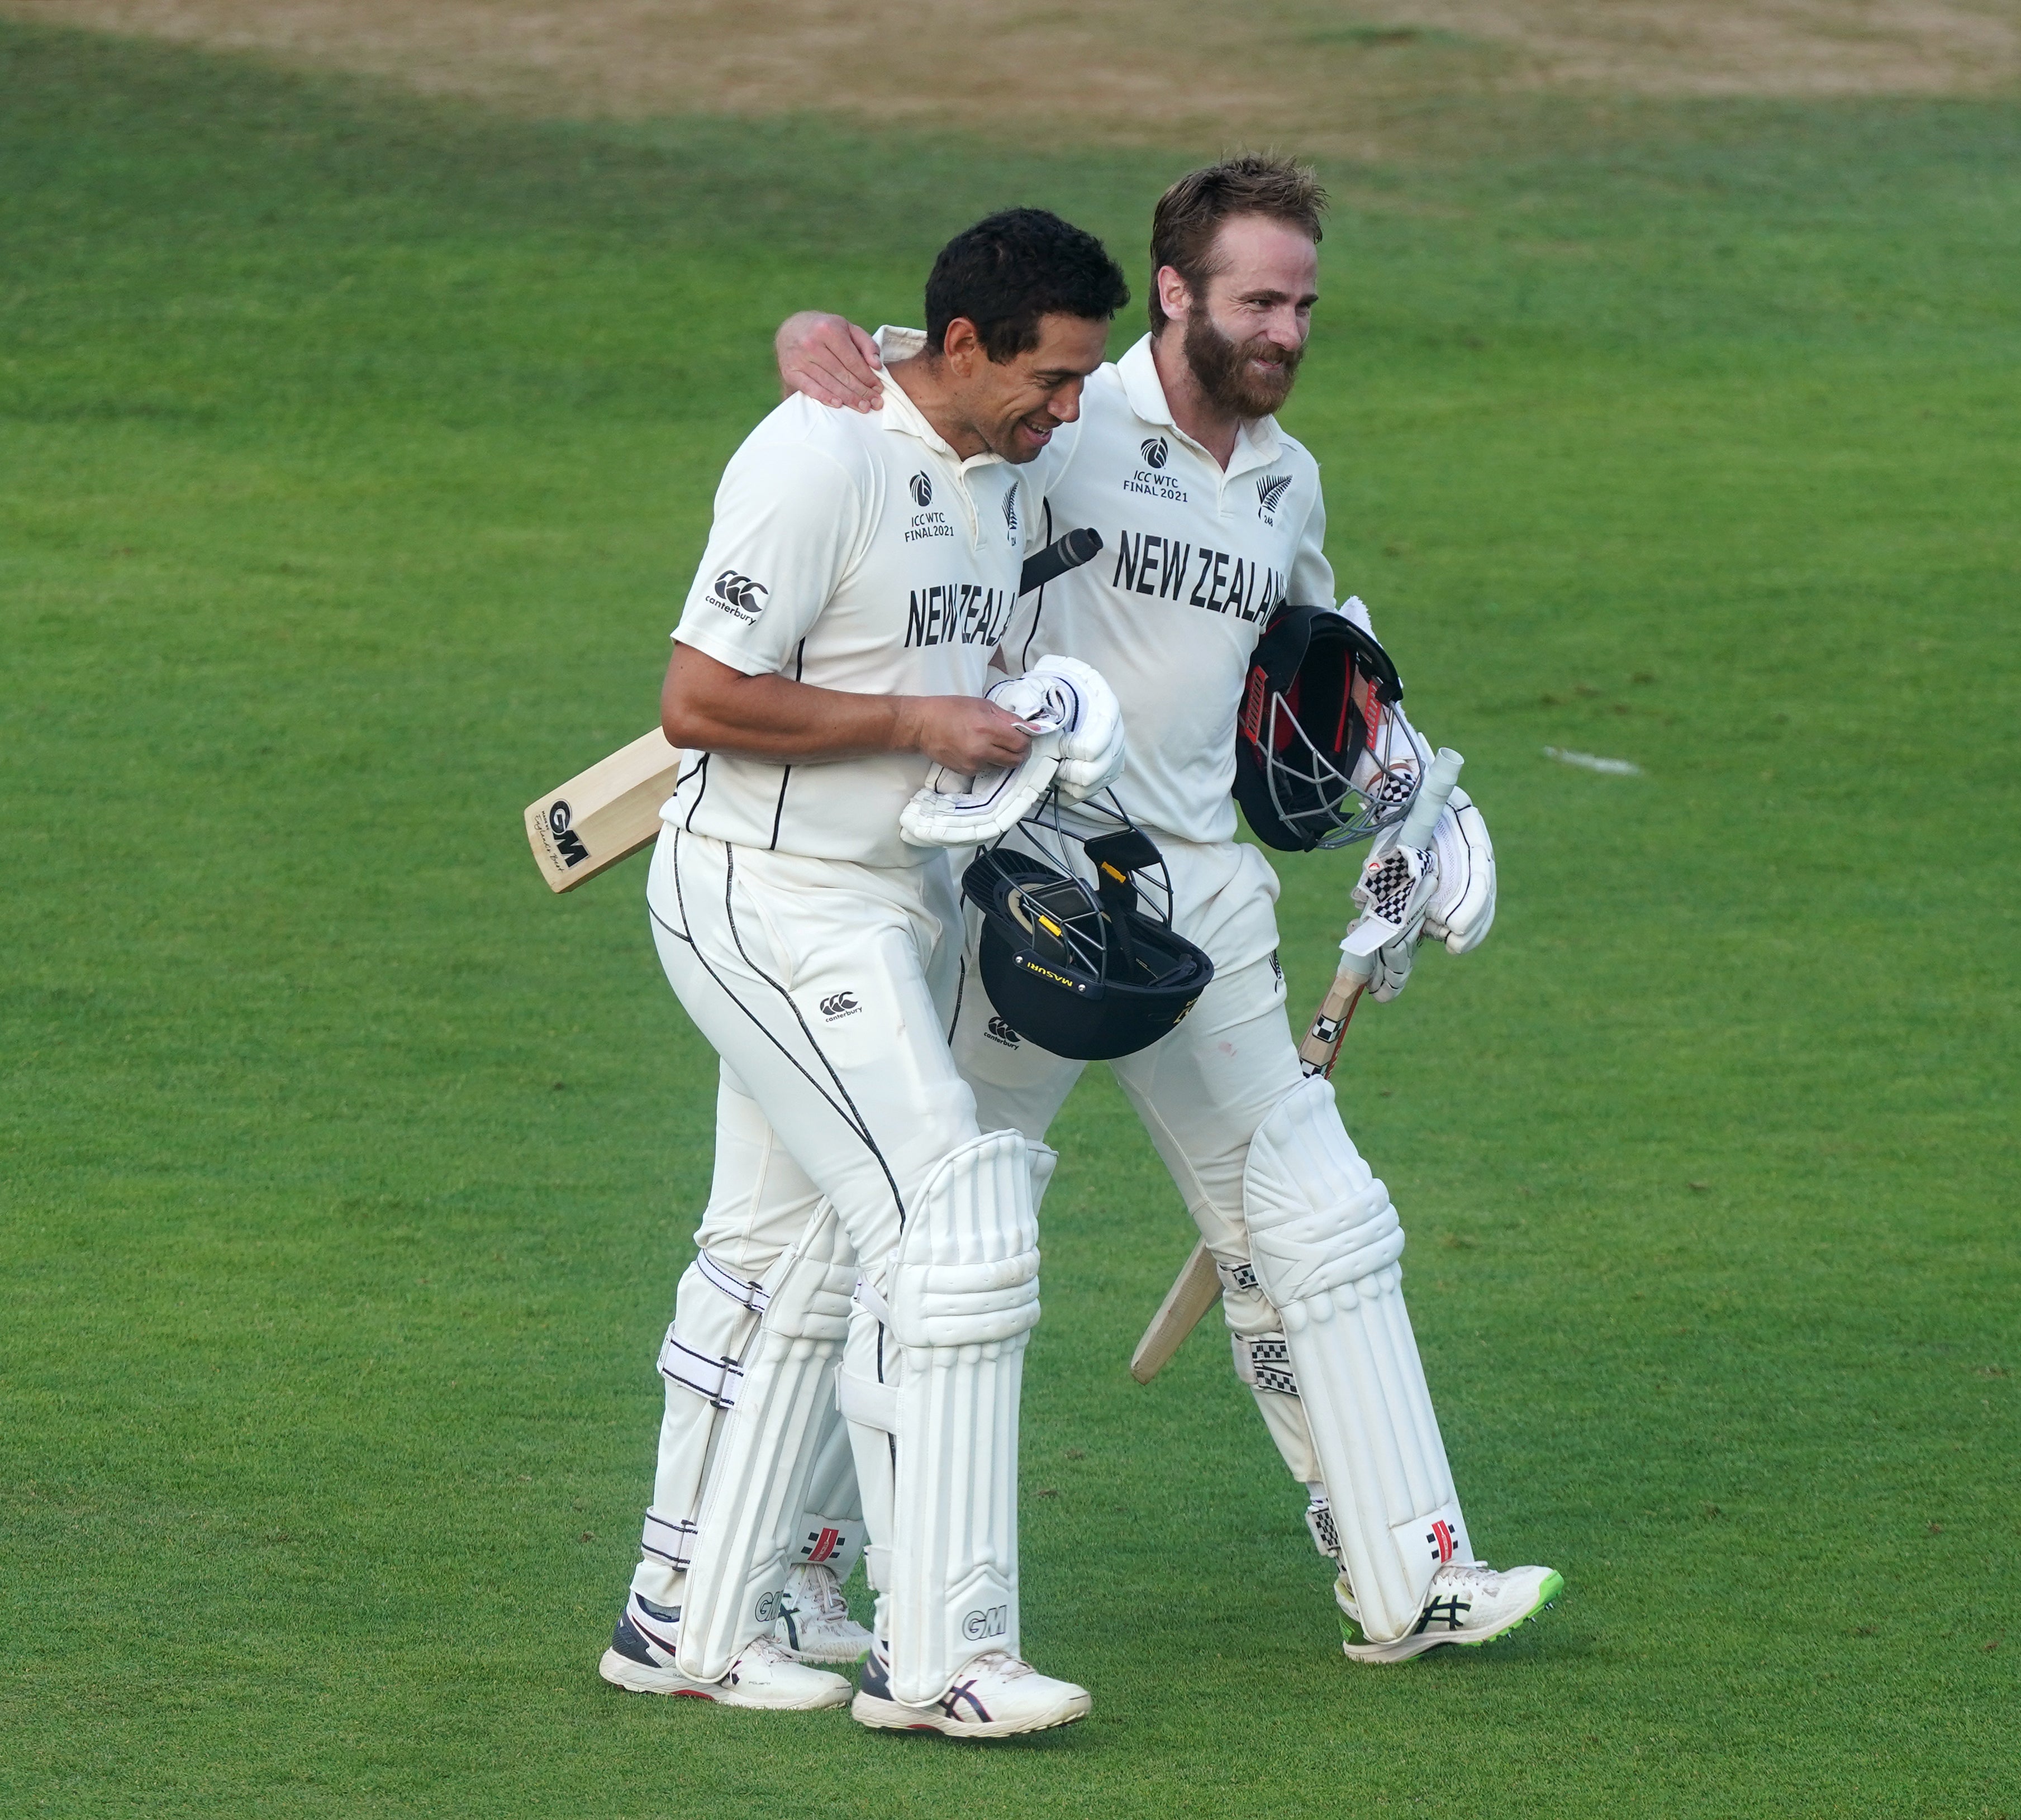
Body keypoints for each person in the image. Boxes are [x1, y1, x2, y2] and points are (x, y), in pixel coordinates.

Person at [772, 156, 1561, 1661]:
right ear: (1181, 291)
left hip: (1212, 901)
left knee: (1320, 1223)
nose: (1287, 331)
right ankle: (807, 1561)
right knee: (947, 1231)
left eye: (1307, 304)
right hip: (1040, 885)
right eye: (1261, 300)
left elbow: (1326, 668)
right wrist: (811, 324)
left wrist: (1416, 806)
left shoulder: (1286, 477)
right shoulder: (1063, 411)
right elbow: (893, 365)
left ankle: (1410, 1570)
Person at [603, 207, 1129, 1737]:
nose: (1070, 410)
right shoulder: (816, 456)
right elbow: (699, 698)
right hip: (766, 896)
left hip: (889, 898)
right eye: (1051, 378)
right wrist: (917, 726)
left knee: (774, 1258)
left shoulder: (995, 469)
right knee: (951, 1220)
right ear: (963, 346)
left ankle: (682, 1614)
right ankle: (943, 1653)